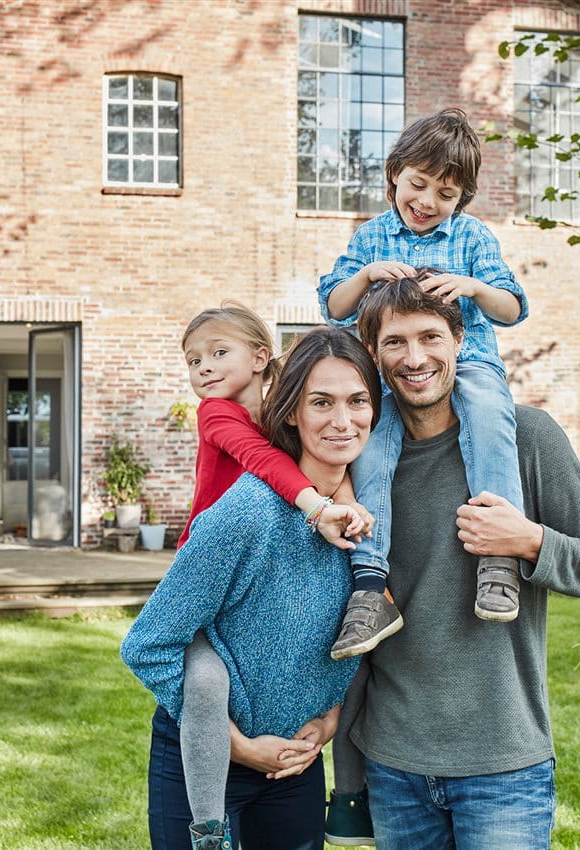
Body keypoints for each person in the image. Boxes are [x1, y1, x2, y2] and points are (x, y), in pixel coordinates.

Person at [324, 273, 580, 849]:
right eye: (395, 342)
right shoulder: (358, 458)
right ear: (372, 351)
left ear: (460, 341)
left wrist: (529, 540)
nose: (415, 358)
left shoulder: (527, 439)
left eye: (430, 337)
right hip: (393, 762)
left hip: (503, 763)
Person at [126, 314, 377, 850]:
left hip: (295, 765)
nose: (342, 421)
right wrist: (235, 744)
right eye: (321, 402)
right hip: (204, 758)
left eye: (357, 401)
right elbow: (148, 645)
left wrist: (329, 718)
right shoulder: (246, 513)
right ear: (290, 412)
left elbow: (356, 634)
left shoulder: (367, 520)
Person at [318, 108, 529, 662]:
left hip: (470, 363)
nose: (428, 201)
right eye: (418, 184)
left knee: (488, 415)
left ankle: (497, 557)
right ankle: (370, 584)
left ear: (463, 199)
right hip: (389, 376)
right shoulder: (372, 237)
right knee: (372, 448)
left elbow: (511, 308)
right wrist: (365, 276)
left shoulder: (473, 238)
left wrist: (474, 287)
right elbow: (333, 305)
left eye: (446, 193)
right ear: (395, 175)